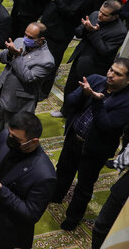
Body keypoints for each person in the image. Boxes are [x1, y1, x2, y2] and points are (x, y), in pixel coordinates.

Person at [51, 59, 129, 231]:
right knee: (63, 170)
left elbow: (105, 125)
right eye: (111, 69)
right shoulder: (95, 80)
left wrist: (96, 100)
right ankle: (55, 196)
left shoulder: (126, 102)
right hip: (74, 138)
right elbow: (70, 101)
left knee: (84, 186)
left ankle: (72, 218)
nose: (110, 74)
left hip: (95, 150)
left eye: (118, 74)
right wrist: (84, 94)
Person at [0, 112, 57, 249]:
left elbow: (31, 214)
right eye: (10, 134)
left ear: (34, 141)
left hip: (4, 230)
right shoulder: (7, 135)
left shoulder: (44, 175)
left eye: (16, 138)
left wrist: (2, 190)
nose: (10, 138)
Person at [53, 0, 127, 118]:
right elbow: (78, 32)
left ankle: (77, 117)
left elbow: (104, 51)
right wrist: (85, 29)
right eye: (101, 11)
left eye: (105, 14)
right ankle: (65, 111)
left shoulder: (120, 31)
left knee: (86, 94)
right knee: (70, 86)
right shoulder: (94, 14)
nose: (100, 15)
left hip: (95, 65)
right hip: (80, 57)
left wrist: (93, 32)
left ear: (115, 16)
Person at [0, 22, 55, 142]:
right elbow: (2, 58)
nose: (25, 39)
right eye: (25, 34)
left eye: (30, 37)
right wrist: (9, 53)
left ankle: (3, 152)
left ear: (41, 40)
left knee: (11, 130)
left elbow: (27, 77)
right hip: (3, 89)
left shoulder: (47, 60)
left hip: (19, 100)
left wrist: (17, 57)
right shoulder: (19, 41)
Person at [92, 144, 129, 249]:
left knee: (103, 227)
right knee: (102, 226)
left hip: (122, 192)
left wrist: (119, 163)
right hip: (123, 191)